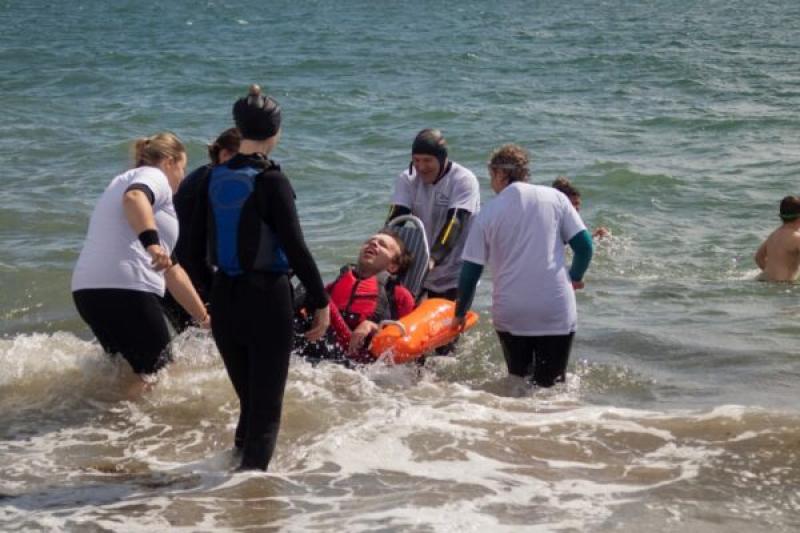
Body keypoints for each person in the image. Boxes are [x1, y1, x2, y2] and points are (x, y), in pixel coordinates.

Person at [190, 84, 330, 471]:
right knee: (266, 412)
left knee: (249, 404)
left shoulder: (209, 177)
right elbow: (296, 248)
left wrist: (209, 293)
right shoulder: (273, 181)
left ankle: (226, 487)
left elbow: (188, 248)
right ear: (275, 133)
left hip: (225, 297)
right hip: (268, 299)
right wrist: (320, 301)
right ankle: (251, 506)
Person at [72, 132, 210, 382]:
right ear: (169, 161)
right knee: (158, 376)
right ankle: (124, 422)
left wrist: (203, 318)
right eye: (183, 167)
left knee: (126, 374)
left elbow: (173, 270)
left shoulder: (121, 181)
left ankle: (105, 419)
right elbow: (134, 198)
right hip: (127, 288)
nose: (183, 177)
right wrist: (152, 245)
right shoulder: (154, 175)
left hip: (88, 291)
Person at [454, 144, 593, 387]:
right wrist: (575, 276)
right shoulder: (557, 198)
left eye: (491, 177)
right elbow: (584, 247)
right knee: (552, 388)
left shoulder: (488, 213)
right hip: (554, 309)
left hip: (511, 313)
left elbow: (470, 271)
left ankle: (514, 422)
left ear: (499, 174)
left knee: (518, 383)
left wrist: (460, 312)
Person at [161, 128, 241, 332]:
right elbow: (192, 246)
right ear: (225, 155)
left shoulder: (209, 176)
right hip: (179, 277)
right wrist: (213, 290)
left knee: (193, 343)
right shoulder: (212, 183)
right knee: (206, 338)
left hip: (175, 273)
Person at [386, 128, 480, 301]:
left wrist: (433, 259)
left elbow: (455, 223)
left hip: (455, 271)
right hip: (420, 268)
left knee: (451, 325)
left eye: (428, 160)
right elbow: (395, 220)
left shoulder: (462, 180)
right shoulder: (407, 179)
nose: (421, 167)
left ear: (442, 158)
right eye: (416, 160)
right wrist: (382, 250)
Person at [296, 229, 415, 363]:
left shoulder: (399, 295)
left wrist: (372, 326)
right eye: (370, 241)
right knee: (305, 291)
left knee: (309, 288)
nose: (374, 243)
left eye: (383, 245)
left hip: (359, 357)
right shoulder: (338, 282)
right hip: (324, 346)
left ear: (393, 266)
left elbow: (408, 337)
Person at [754, 195, 800, 282]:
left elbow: (758, 257)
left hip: (764, 280)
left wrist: (772, 274)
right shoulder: (797, 238)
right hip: (782, 285)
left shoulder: (774, 234)